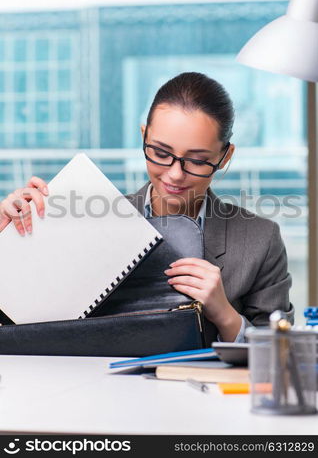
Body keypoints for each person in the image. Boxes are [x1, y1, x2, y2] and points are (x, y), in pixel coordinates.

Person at [0, 72, 294, 342]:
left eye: (198, 160)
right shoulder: (83, 220)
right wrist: (9, 244)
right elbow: (21, 327)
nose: (175, 173)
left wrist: (225, 315)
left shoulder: (259, 240)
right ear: (144, 136)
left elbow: (281, 354)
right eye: (160, 152)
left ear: (225, 156)